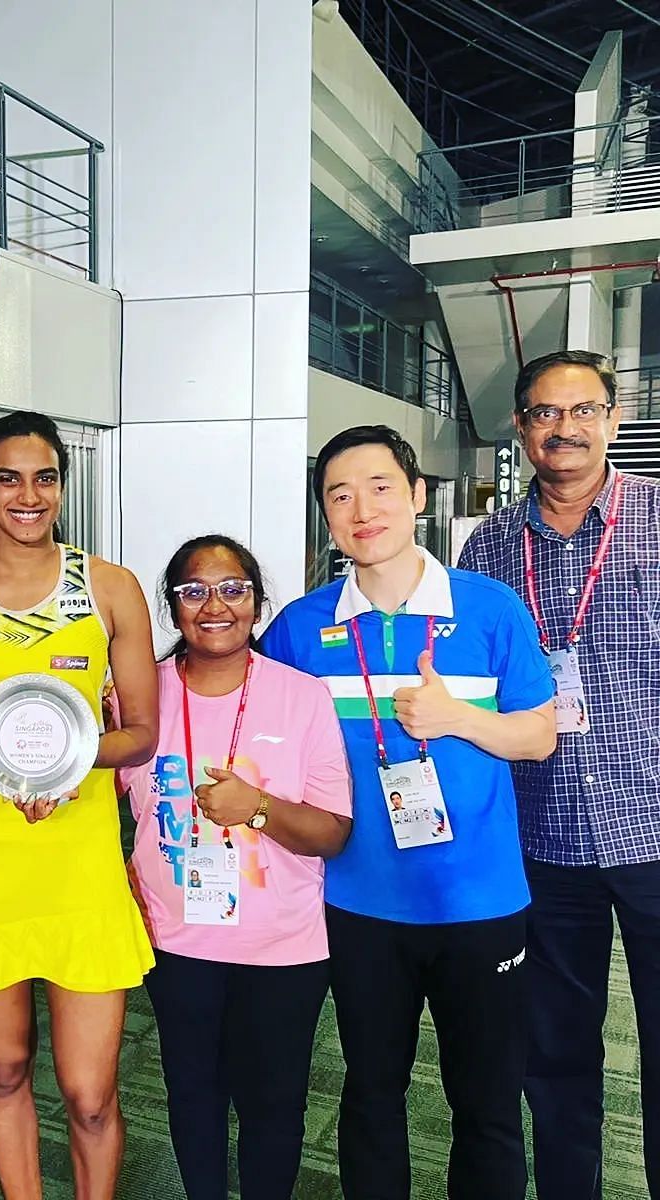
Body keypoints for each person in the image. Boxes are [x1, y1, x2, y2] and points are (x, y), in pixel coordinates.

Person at [263, 424, 556, 1200]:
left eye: (381, 486)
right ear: (326, 514)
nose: (363, 508)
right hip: (359, 904)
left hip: (481, 903)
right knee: (370, 1094)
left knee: (488, 1106)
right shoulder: (300, 627)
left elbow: (539, 735)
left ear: (418, 495)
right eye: (340, 494)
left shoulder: (492, 611)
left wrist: (458, 718)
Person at [0, 410, 157, 1200]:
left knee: (89, 1094)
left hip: (79, 863)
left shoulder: (109, 587)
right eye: (8, 478)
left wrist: (68, 764)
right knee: (4, 1066)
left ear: (60, 485)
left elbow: (141, 736)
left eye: (44, 477)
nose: (28, 494)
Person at [458, 349, 660, 1199]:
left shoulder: (654, 517)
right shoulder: (490, 543)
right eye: (546, 413)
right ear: (521, 428)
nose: (565, 429)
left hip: (652, 827)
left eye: (583, 411)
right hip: (540, 837)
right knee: (556, 1052)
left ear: (613, 421)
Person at [121, 535, 351, 1200]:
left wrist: (256, 810)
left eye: (233, 588)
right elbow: (89, 800)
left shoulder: (302, 696)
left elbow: (332, 833)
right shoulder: (141, 697)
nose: (214, 604)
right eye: (193, 590)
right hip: (176, 940)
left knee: (274, 1108)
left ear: (256, 603)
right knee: (192, 1098)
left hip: (285, 948)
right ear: (172, 607)